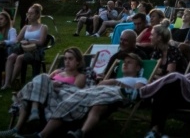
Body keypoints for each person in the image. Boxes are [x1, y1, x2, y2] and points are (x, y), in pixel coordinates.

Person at [18, 53, 148, 138]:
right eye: (124, 62)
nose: (125, 64)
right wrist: (112, 81)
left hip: (116, 94)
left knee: (98, 105)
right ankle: (42, 134)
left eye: (129, 62)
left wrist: (116, 82)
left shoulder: (140, 79)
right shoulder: (116, 77)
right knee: (69, 101)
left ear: (137, 68)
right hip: (97, 91)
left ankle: (80, 133)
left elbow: (136, 93)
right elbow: (100, 84)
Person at [0, 47, 86, 138]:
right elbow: (41, 82)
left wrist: (53, 85)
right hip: (43, 95)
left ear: (78, 61)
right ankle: (17, 128)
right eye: (65, 58)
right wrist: (51, 84)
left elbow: (73, 92)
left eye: (70, 59)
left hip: (56, 98)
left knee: (41, 78)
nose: (67, 61)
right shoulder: (58, 71)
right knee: (36, 83)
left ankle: (33, 112)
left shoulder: (80, 76)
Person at [1, 4, 48, 90]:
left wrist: (29, 41)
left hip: (35, 51)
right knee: (11, 57)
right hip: (24, 49)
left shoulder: (43, 27)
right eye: (28, 13)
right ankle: (7, 82)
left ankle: (11, 81)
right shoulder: (26, 27)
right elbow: (16, 40)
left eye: (31, 13)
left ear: (38, 15)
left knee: (19, 58)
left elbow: (41, 42)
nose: (29, 15)